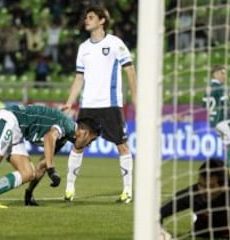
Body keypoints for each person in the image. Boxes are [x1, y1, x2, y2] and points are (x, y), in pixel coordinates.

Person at [61, 5, 137, 203]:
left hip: (110, 104)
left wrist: (136, 96)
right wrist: (70, 103)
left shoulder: (115, 44)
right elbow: (79, 78)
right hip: (88, 105)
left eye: (91, 17)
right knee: (78, 143)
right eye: (86, 17)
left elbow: (129, 70)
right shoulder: (83, 48)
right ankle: (69, 188)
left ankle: (127, 190)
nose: (87, 20)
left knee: (122, 145)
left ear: (102, 20)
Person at [161, 158, 230, 239]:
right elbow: (160, 213)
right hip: (208, 230)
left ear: (224, 186)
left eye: (210, 186)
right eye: (201, 185)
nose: (203, 190)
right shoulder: (193, 194)